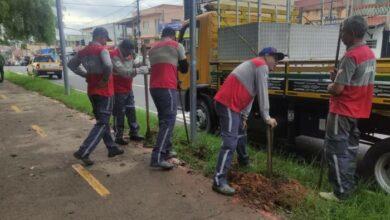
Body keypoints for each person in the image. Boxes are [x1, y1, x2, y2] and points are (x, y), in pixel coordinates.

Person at [212, 47, 283, 196]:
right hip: (228, 104)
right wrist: (267, 117)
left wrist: (244, 117)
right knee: (230, 143)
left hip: (233, 106)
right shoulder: (261, 65)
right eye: (275, 58)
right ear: (266, 56)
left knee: (241, 132)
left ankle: (244, 161)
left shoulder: (255, 65)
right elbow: (263, 93)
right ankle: (218, 181)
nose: (277, 62)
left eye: (278, 60)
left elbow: (251, 94)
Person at [320, 16, 375, 201]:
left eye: (343, 32)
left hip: (342, 111)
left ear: (351, 34)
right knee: (350, 150)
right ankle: (348, 186)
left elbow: (337, 90)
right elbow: (354, 80)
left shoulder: (351, 55)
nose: (341, 36)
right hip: (357, 110)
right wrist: (338, 76)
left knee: (335, 150)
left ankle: (340, 193)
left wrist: (330, 85)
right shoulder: (369, 53)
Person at [68, 27, 124, 166]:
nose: (106, 42)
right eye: (105, 39)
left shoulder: (83, 52)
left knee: (101, 121)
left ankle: (112, 148)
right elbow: (108, 65)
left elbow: (71, 64)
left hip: (92, 90)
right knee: (103, 122)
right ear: (100, 36)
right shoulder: (101, 50)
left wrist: (85, 74)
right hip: (105, 91)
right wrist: (104, 80)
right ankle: (84, 150)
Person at [148, 27, 189, 170]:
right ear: (173, 36)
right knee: (169, 121)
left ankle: (166, 150)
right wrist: (180, 58)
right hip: (167, 87)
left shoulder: (152, 48)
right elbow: (184, 68)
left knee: (163, 120)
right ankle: (157, 157)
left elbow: (163, 67)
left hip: (154, 87)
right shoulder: (177, 46)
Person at [110, 39, 149, 145]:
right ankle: (118, 135)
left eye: (131, 51)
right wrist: (139, 70)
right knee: (119, 113)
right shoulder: (114, 55)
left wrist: (143, 63)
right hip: (117, 89)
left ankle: (134, 132)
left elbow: (133, 65)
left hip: (128, 88)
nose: (129, 53)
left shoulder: (131, 54)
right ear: (122, 48)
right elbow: (123, 72)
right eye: (128, 51)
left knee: (131, 110)